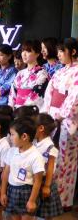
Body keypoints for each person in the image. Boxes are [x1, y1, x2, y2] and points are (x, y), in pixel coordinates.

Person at [1, 117, 44, 220]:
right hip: (12, 189)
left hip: (27, 192)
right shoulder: (12, 151)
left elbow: (38, 180)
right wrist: (3, 191)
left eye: (12, 134)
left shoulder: (35, 155)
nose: (10, 137)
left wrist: (32, 200)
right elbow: (6, 172)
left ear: (24, 136)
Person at [41, 38, 78, 210]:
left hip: (67, 121)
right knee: (51, 157)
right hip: (53, 117)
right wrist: (47, 113)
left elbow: (74, 98)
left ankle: (64, 200)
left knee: (66, 160)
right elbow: (50, 93)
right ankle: (50, 196)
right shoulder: (60, 71)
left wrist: (61, 115)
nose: (59, 55)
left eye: (62, 51)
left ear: (73, 52)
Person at [33, 113, 63, 220]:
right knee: (40, 212)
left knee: (46, 213)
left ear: (40, 128)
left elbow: (50, 168)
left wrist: (47, 186)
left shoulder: (50, 147)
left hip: (46, 182)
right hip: (37, 181)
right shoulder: (36, 143)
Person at [8, 40, 49, 109]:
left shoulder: (42, 74)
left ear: (37, 54)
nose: (24, 54)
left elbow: (37, 96)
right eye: (23, 51)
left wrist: (22, 110)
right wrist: (11, 108)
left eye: (28, 51)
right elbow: (13, 93)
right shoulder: (20, 73)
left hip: (30, 112)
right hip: (16, 110)